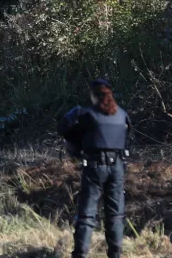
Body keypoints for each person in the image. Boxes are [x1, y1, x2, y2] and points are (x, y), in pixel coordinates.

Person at [59, 79, 131, 258]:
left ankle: (80, 254)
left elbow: (65, 130)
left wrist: (73, 115)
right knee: (115, 215)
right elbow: (128, 137)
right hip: (117, 167)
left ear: (93, 96)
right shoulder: (123, 115)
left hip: (95, 167)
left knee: (87, 215)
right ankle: (115, 254)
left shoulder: (87, 115)